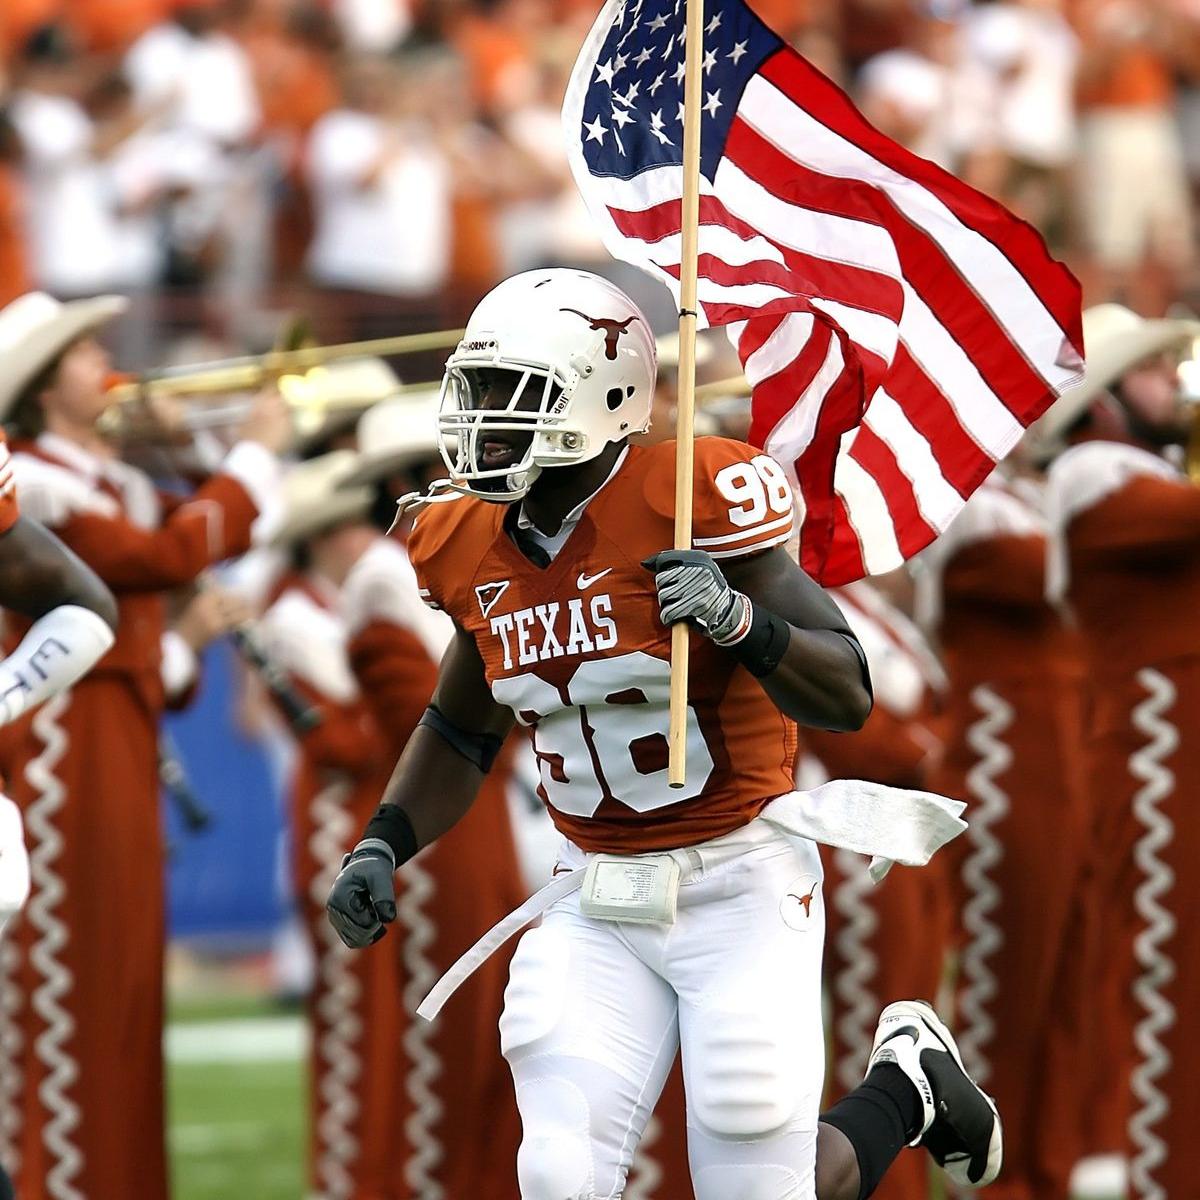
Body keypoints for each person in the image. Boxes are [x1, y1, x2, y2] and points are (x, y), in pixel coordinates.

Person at [327, 269, 1000, 1200]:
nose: (482, 417)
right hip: (591, 890)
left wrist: (738, 622)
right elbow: (461, 724)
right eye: (476, 391)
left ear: (602, 393)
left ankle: (902, 1090)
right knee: (559, 1173)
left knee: (757, 1181)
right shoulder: (466, 539)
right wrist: (382, 840)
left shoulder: (693, 496)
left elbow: (846, 691)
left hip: (740, 876)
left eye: (510, 391)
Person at [0, 289, 289, 1200]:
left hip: (112, 739)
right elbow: (168, 557)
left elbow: (189, 536)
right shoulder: (36, 479)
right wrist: (250, 454)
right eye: (84, 352)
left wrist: (200, 446)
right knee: (73, 982)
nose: (108, 363)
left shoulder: (111, 477)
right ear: (44, 387)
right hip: (58, 752)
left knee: (124, 985)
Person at [339, 395, 525, 1199]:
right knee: (450, 1031)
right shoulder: (388, 576)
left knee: (497, 1030)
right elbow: (437, 717)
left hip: (485, 821)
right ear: (415, 478)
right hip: (444, 824)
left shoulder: (455, 562)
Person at [1039, 303, 1200, 1200]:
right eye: (1152, 370)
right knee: (1166, 970)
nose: (1174, 383)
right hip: (1153, 759)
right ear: (1099, 403)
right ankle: (1155, 1170)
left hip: (1173, 754)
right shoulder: (1093, 471)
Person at [913, 468, 1091, 1200]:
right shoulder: (962, 501)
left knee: (1065, 983)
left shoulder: (1029, 498)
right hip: (1000, 762)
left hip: (1064, 764)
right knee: (1006, 981)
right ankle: (987, 1174)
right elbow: (1059, 573)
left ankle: (1049, 1166)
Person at [257, 451, 402, 1199]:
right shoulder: (294, 618)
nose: (363, 538)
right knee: (356, 1021)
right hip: (336, 821)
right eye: (344, 527)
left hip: (370, 817)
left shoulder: (349, 602)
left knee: (390, 1016)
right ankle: (351, 1174)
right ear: (317, 539)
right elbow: (350, 738)